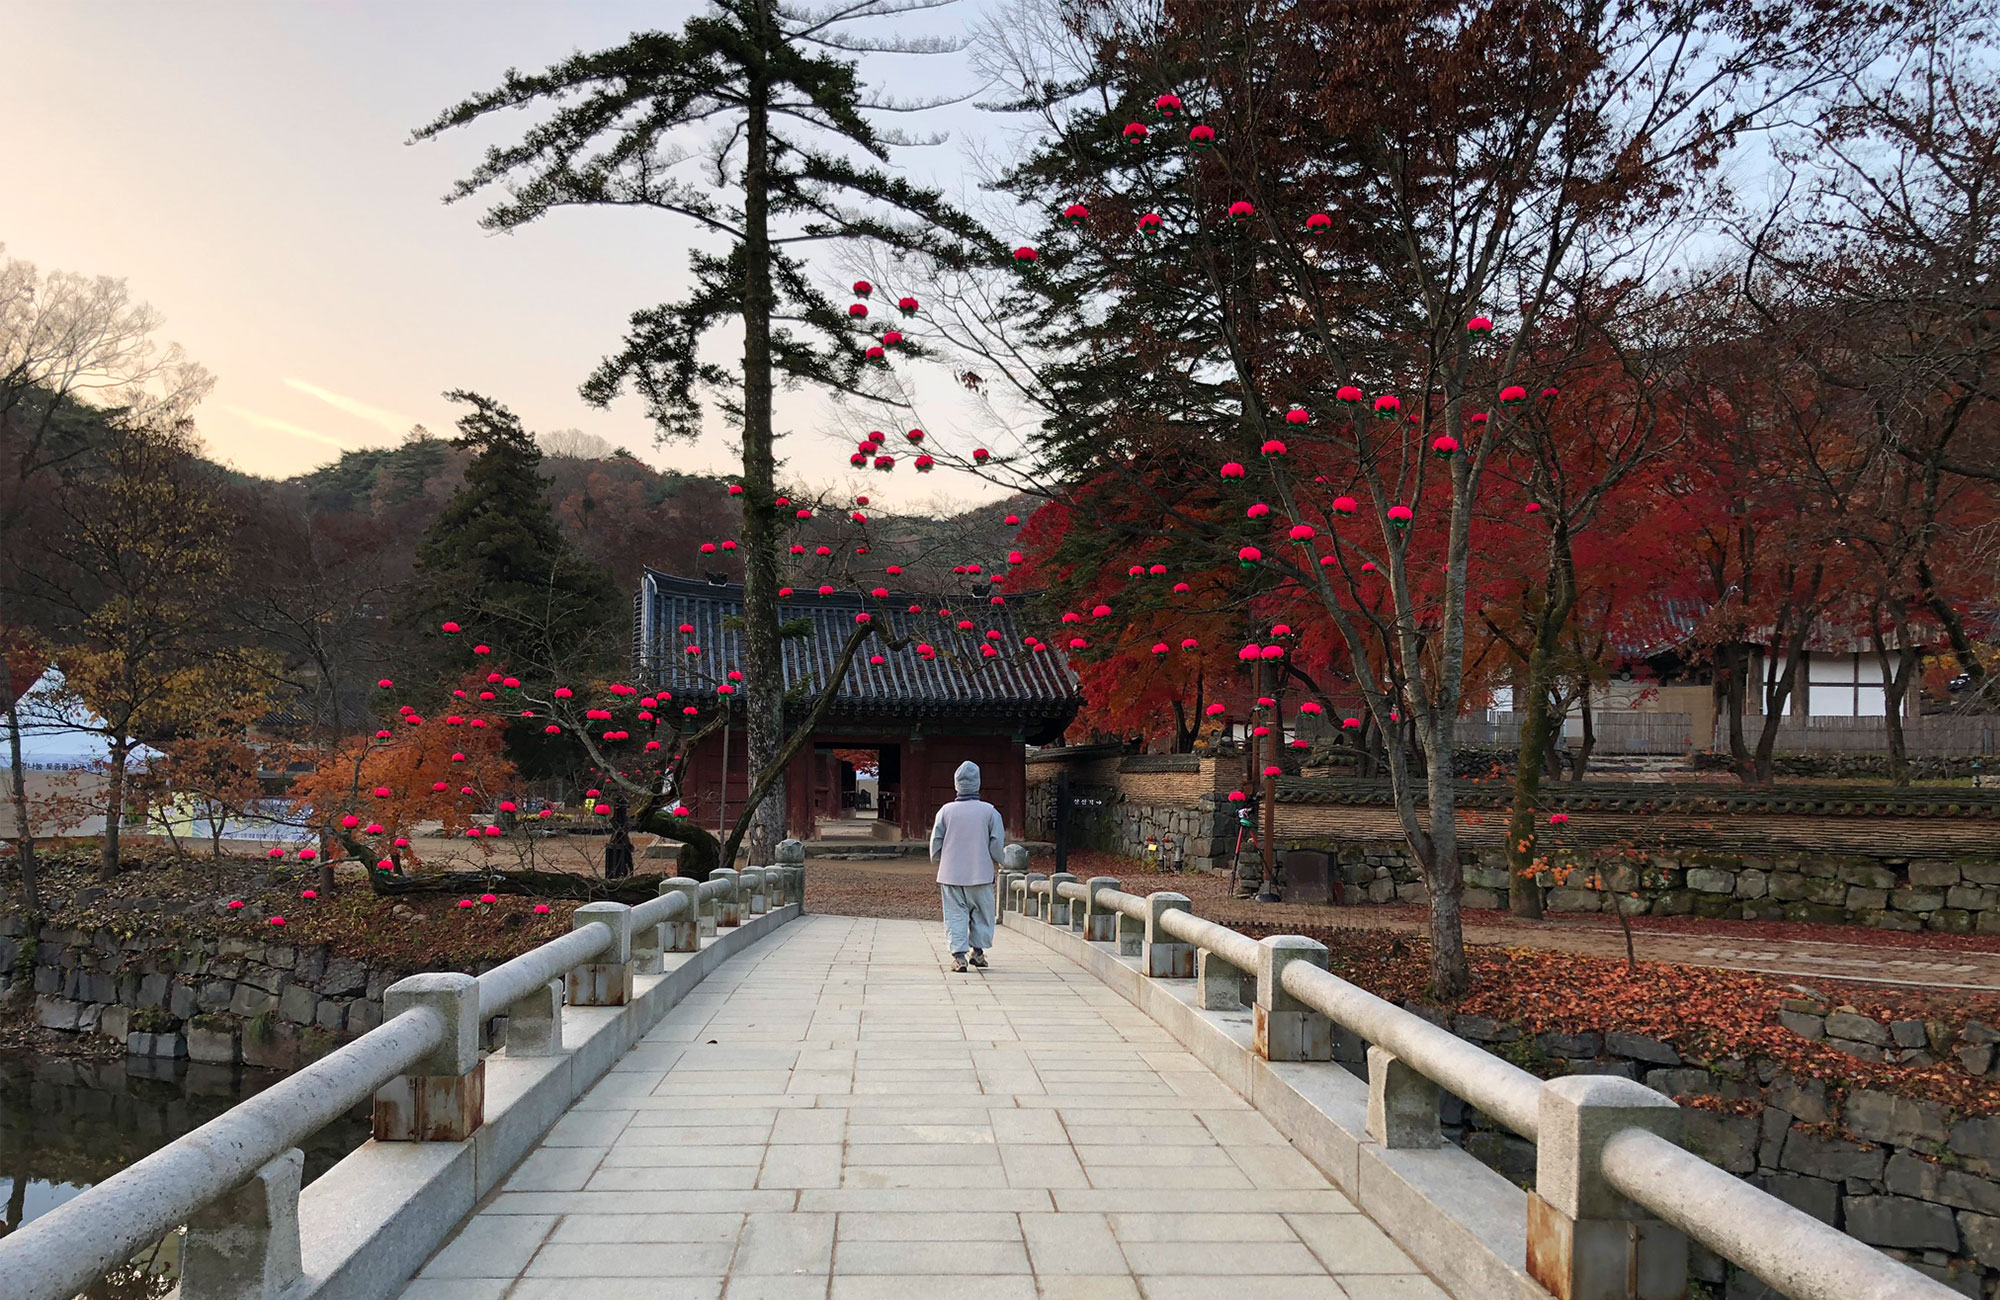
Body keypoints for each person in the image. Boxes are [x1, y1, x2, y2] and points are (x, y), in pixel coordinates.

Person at [930, 760, 1005, 973]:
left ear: (956, 784)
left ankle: (959, 957)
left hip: (951, 873)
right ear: (978, 783)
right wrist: (999, 859)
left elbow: (936, 839)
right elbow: (996, 842)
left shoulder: (946, 811)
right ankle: (978, 952)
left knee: (955, 914)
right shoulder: (990, 811)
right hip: (980, 872)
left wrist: (937, 857)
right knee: (982, 913)